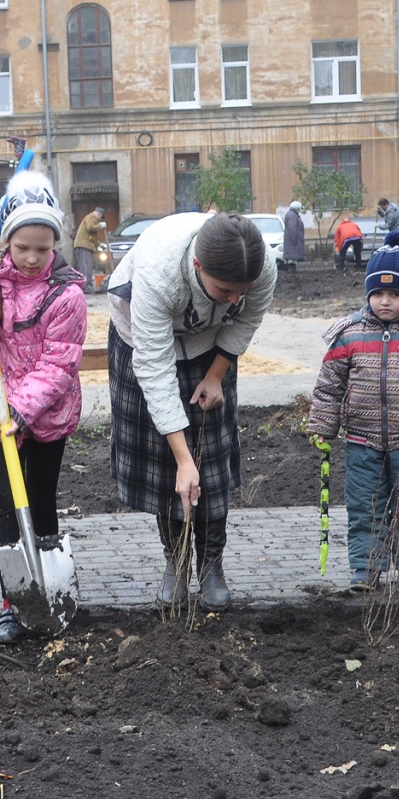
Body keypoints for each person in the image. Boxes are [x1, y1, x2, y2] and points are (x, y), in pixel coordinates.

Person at [106, 213, 277, 613]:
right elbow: (155, 369)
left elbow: (247, 319)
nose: (236, 297)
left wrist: (216, 375)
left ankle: (211, 565)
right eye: (226, 289)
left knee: (212, 462)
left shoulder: (260, 264)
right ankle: (177, 562)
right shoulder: (157, 271)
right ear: (198, 265)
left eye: (242, 290)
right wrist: (182, 460)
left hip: (209, 343)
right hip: (144, 341)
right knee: (169, 468)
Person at [0, 171, 87, 644]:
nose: (31, 257)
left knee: (42, 501)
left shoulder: (66, 293)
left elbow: (59, 363)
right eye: (22, 246)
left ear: (54, 245)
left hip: (46, 416)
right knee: (7, 507)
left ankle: (49, 595)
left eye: (41, 249)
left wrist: (22, 410)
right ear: (7, 240)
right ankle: (13, 604)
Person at [307, 232, 399, 592]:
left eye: (394, 294)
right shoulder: (350, 334)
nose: (385, 302)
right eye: (377, 294)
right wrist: (323, 426)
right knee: (365, 506)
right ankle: (366, 568)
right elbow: (329, 385)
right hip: (362, 440)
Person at [73, 206, 106, 293]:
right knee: (86, 266)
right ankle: (86, 287)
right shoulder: (91, 217)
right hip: (83, 246)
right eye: (100, 217)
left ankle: (85, 286)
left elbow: (91, 236)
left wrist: (98, 244)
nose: (100, 220)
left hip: (84, 245)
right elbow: (90, 227)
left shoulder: (90, 218)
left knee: (86, 266)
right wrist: (100, 226)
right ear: (99, 214)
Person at [282, 200, 306, 272]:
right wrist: (294, 240)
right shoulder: (293, 216)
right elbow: (293, 229)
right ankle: (291, 270)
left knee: (291, 256)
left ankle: (292, 269)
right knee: (291, 257)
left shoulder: (291, 215)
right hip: (293, 241)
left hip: (291, 240)